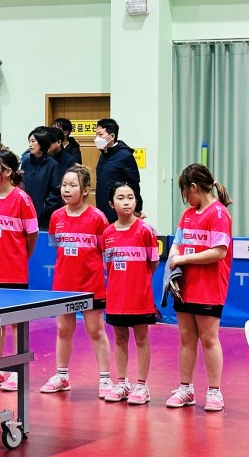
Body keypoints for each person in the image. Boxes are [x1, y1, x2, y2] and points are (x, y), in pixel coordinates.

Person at [41, 164, 113, 399]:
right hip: (64, 285)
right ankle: (61, 376)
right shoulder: (56, 217)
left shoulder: (97, 217)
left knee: (95, 330)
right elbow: (57, 246)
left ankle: (105, 378)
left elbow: (105, 250)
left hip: (91, 285)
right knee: (63, 330)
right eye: (64, 185)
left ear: (85, 190)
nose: (66, 189)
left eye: (73, 185)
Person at [165, 163, 232, 412]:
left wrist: (183, 259)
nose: (184, 197)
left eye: (184, 191)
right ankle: (186, 389)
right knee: (186, 338)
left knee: (209, 338)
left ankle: (214, 391)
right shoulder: (187, 215)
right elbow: (177, 244)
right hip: (185, 286)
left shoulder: (219, 214)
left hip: (209, 287)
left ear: (193, 187)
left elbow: (219, 252)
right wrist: (174, 261)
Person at [0, 149, 38, 392]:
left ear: (8, 171)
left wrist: (19, 258)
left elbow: (32, 236)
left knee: (16, 323)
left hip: (14, 272)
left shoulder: (22, 199)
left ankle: (17, 370)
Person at [102, 182, 159, 405]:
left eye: (130, 197)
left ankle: (142, 386)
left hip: (140, 297)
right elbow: (108, 266)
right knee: (119, 338)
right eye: (120, 198)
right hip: (117, 297)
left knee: (141, 338)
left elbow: (152, 263)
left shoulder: (146, 231)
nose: (126, 202)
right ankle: (122, 383)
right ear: (111, 204)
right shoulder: (107, 233)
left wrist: (139, 280)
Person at [94, 118, 142, 223]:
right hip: (103, 209)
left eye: (100, 134)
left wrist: (137, 209)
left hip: (118, 211)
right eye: (96, 135)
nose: (97, 138)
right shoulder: (103, 155)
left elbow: (134, 183)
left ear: (112, 136)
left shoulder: (125, 155)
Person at [19, 126, 59, 229]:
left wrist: (45, 209)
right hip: (24, 211)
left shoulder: (52, 164)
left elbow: (55, 191)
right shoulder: (26, 161)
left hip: (43, 217)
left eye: (33, 141)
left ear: (42, 142)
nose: (30, 144)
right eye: (29, 141)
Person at [44, 127, 77, 217]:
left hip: (62, 202)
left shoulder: (69, 160)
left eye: (49, 143)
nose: (46, 146)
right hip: (45, 202)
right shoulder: (45, 158)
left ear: (59, 142)